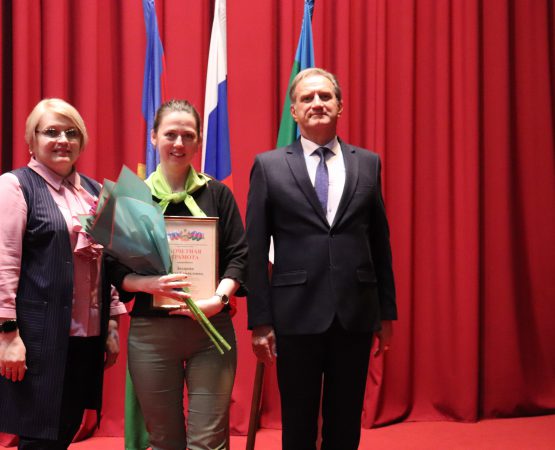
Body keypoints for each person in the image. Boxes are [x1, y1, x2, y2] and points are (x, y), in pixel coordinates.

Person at [246, 68, 398, 450]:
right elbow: (255, 247)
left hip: (355, 313)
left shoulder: (368, 163)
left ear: (340, 106)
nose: (317, 103)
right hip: (294, 315)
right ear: (294, 111)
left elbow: (379, 242)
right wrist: (260, 321)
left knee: (345, 425)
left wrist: (386, 313)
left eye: (325, 96)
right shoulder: (268, 166)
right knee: (298, 426)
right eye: (307, 98)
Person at [113, 99, 247, 450]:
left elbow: (239, 256)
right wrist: (149, 284)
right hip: (151, 335)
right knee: (164, 441)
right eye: (170, 134)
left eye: (188, 135)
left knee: (208, 442)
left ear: (198, 141)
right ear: (154, 136)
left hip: (211, 330)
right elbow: (114, 270)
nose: (179, 143)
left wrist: (219, 299)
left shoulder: (218, 194)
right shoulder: (133, 198)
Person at [0, 98, 126, 449]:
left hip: (86, 337)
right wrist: (7, 334)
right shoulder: (14, 186)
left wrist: (112, 325)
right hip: (36, 338)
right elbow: (4, 262)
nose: (63, 140)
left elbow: (107, 261)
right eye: (51, 132)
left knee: (65, 430)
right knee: (38, 438)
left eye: (72, 133)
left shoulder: (97, 192)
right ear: (32, 140)